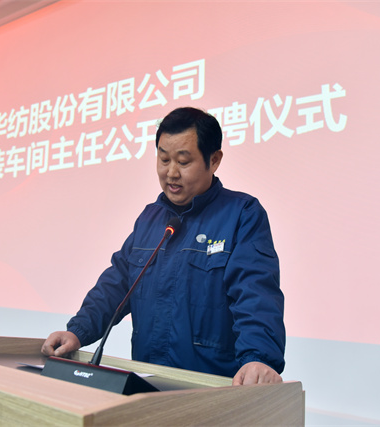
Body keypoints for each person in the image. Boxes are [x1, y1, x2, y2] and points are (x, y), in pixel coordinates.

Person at [42, 107, 285, 385]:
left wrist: (258, 358)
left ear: (214, 160)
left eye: (183, 161)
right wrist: (78, 331)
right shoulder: (150, 219)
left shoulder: (241, 214)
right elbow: (117, 284)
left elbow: (254, 293)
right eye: (164, 159)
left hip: (212, 386)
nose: (171, 173)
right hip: (147, 381)